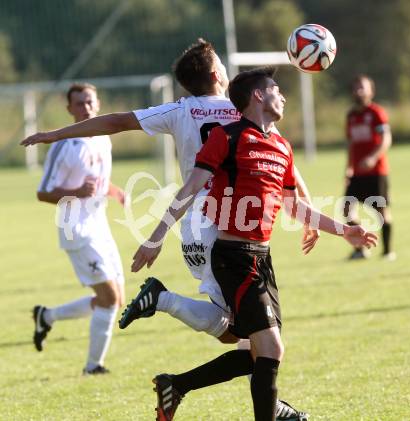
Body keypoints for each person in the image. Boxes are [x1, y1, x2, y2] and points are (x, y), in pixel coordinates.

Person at [22, 40, 315, 419]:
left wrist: (54, 134)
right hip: (228, 228)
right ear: (216, 75)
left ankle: (198, 387)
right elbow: (280, 154)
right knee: (252, 337)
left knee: (247, 338)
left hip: (192, 226)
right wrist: (305, 207)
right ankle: (165, 303)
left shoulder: (180, 110)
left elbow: (116, 121)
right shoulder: (241, 108)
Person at [127, 67, 378, 420]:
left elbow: (294, 206)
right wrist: (155, 237)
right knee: (270, 347)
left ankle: (176, 385)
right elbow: (190, 189)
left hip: (262, 258)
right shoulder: (227, 138)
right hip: (232, 257)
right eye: (276, 89)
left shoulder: (281, 146)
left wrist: (344, 230)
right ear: (258, 96)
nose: (283, 95)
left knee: (261, 352)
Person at [32, 83, 126, 374]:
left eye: (89, 102)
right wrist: (76, 192)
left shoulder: (103, 139)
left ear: (97, 104)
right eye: (79, 104)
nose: (85, 108)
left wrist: (111, 189)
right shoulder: (64, 145)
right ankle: (93, 366)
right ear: (69, 109)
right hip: (76, 229)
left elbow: (94, 180)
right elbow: (43, 193)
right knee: (109, 299)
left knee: (116, 299)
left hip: (100, 225)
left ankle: (47, 316)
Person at [343, 74, 395, 260]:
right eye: (356, 87)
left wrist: (373, 157)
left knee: (382, 213)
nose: (359, 91)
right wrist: (348, 168)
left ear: (371, 91)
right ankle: (360, 249)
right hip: (357, 173)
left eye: (362, 87)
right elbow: (351, 145)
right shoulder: (350, 116)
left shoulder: (376, 113)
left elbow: (386, 139)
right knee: (347, 209)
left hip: (376, 172)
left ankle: (388, 251)